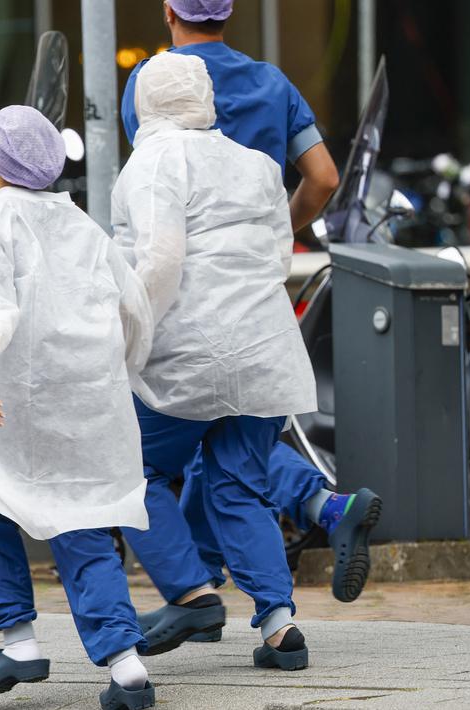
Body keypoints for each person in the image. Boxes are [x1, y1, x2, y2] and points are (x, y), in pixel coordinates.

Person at [122, 0, 381, 613]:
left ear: (168, 12)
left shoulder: (154, 81)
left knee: (150, 455)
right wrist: (271, 235)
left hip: (183, 309)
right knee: (235, 456)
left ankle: (193, 593)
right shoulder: (272, 83)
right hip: (256, 303)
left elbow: (159, 215)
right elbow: (323, 177)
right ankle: (283, 587)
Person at [0, 105, 156, 709]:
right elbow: (135, 309)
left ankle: (19, 641)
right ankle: (126, 664)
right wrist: (120, 369)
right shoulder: (85, 228)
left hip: (7, 404)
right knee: (84, 522)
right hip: (85, 405)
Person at [113, 52, 318, 670]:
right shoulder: (258, 164)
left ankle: (191, 594)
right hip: (264, 351)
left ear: (144, 103)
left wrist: (125, 338)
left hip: (186, 352)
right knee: (239, 486)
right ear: (206, 100)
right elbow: (278, 254)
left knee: (130, 471)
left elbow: (159, 261)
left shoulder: (152, 162)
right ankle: (280, 628)